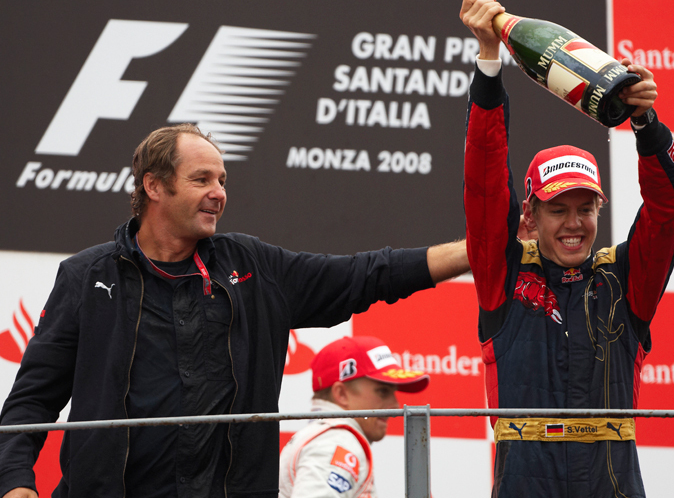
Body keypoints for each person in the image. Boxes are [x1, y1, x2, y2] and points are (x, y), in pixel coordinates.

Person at [0, 123, 469, 498]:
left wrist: (477, 252)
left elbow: (369, 273)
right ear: (154, 187)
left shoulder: (253, 267)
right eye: (201, 179)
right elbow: (31, 399)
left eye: (222, 180)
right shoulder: (86, 277)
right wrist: (16, 480)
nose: (219, 192)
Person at [460, 0, 674, 497]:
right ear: (531, 215)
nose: (574, 223)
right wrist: (487, 66)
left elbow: (671, 211)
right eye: (557, 208)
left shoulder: (625, 279)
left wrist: (646, 125)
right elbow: (483, 183)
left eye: (585, 208)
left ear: (598, 212)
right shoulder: (502, 274)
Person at [279, 336, 428, 498]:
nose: (395, 405)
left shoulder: (325, 436)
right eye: (383, 391)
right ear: (341, 394)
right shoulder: (337, 442)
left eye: (393, 392)